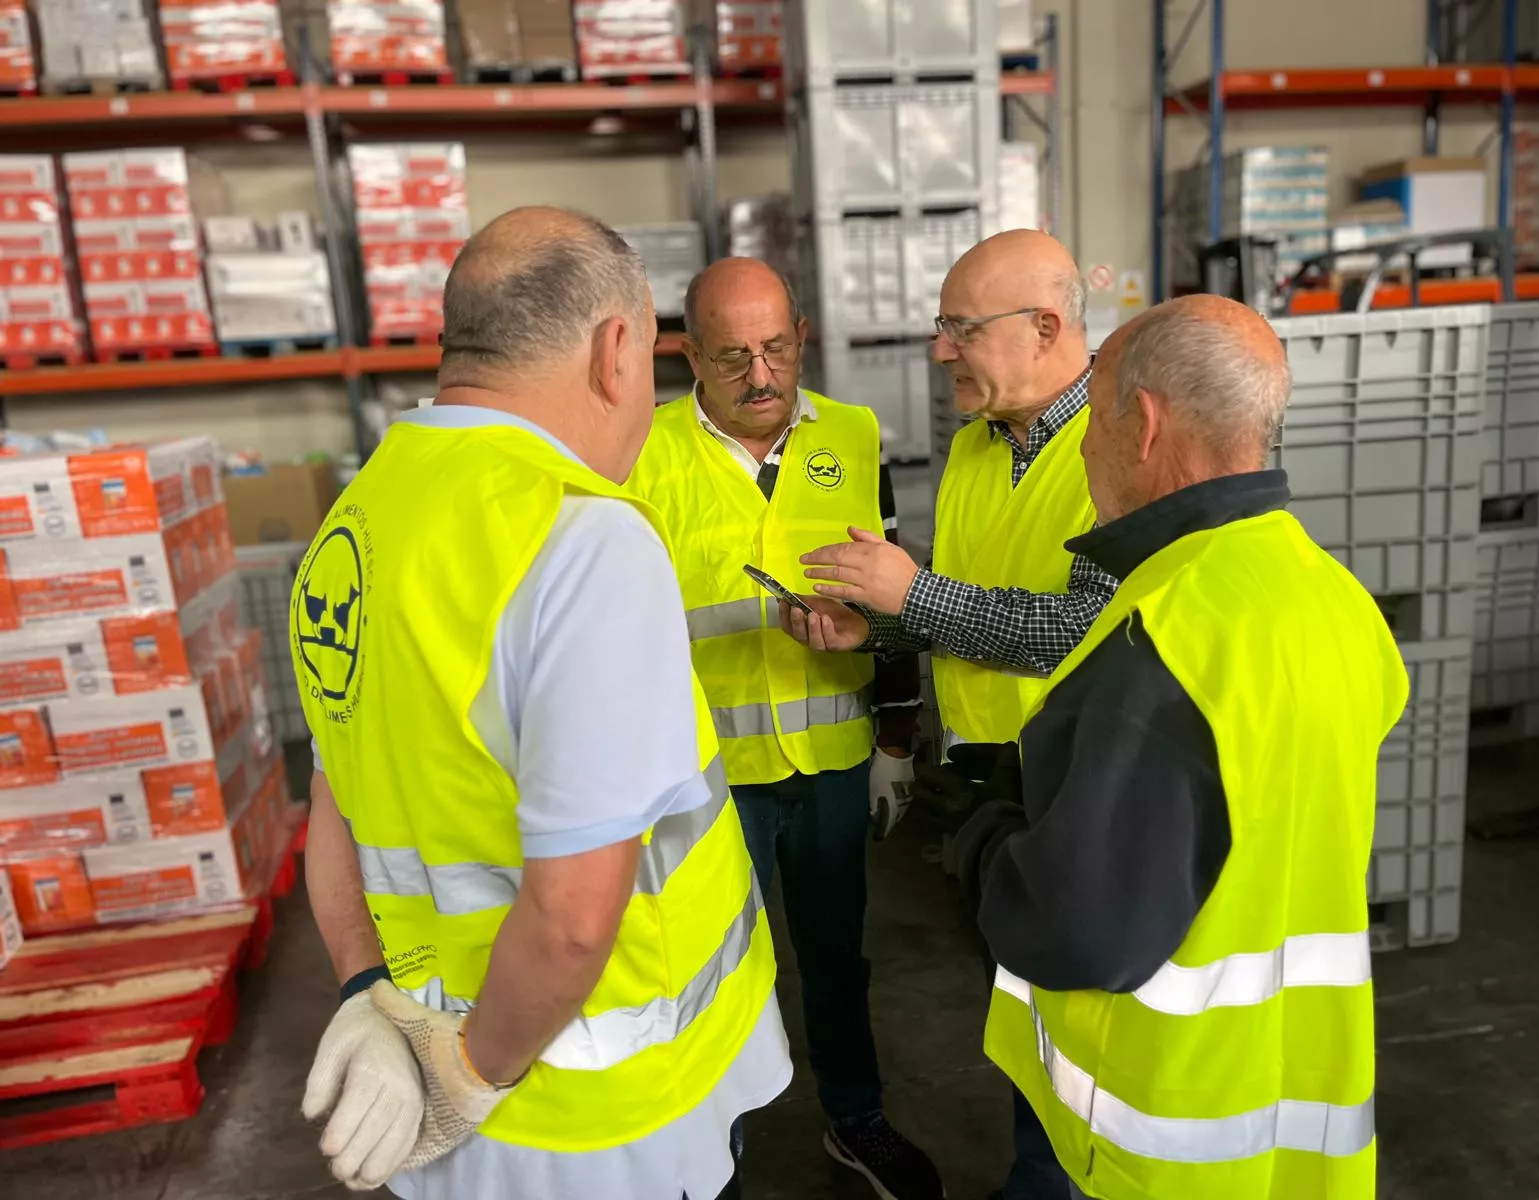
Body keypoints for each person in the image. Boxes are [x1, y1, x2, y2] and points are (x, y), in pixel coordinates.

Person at [292, 207, 790, 1200]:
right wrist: (470, 1078)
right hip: (607, 1121)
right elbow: (570, 921)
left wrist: (364, 993)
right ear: (616, 352)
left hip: (440, 1096)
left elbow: (332, 806)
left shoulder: (357, 521)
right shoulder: (577, 540)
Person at [955, 295, 1410, 1200]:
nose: (1083, 448)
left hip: (1157, 1140)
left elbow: (1075, 930)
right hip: (1291, 1111)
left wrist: (980, 840)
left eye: (1092, 419)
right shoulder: (1330, 595)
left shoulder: (1164, 635)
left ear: (1147, 423)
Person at [628, 257, 941, 1200]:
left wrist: (893, 735)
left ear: (801, 336)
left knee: (838, 957)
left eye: (775, 349)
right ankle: (711, 1152)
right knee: (716, 977)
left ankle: (855, 1119)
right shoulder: (641, 452)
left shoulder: (850, 433)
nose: (761, 376)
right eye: (732, 359)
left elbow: (887, 591)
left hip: (830, 760)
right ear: (687, 357)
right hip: (704, 778)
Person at [783, 230, 1117, 783]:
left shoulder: (1124, 441)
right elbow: (955, 608)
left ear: (1044, 329)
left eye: (964, 330)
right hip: (976, 777)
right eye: (943, 329)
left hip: (1078, 782)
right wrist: (871, 628)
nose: (941, 352)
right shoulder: (972, 445)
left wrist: (915, 593)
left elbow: (1091, 629)